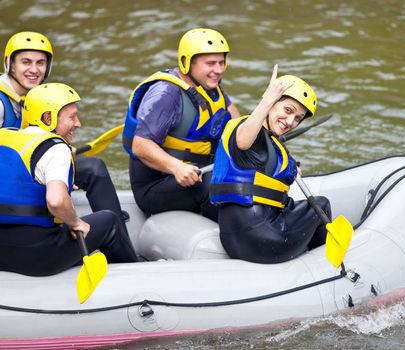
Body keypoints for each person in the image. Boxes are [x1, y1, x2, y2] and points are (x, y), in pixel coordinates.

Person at [0, 83, 138, 276]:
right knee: (110, 220)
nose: (78, 123)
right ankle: (136, 275)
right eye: (72, 117)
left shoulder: (5, 138)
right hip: (37, 257)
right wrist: (75, 222)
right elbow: (56, 201)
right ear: (48, 118)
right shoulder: (56, 149)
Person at [0, 31, 128, 224]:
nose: (34, 70)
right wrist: (53, 170)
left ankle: (115, 225)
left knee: (94, 168)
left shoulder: (38, 95)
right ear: (10, 64)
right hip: (10, 176)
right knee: (92, 167)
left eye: (40, 63)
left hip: (29, 167)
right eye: (26, 62)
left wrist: (60, 157)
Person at [210, 65, 332, 264]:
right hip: (262, 238)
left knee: (290, 205)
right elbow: (243, 141)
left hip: (234, 237)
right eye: (288, 110)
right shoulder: (248, 130)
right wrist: (267, 100)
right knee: (321, 205)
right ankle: (325, 266)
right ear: (272, 103)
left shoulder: (267, 141)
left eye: (298, 118)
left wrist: (291, 168)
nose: (290, 121)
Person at [123, 28, 240, 221]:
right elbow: (141, 146)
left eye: (222, 62)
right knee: (211, 183)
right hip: (156, 185)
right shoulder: (167, 94)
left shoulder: (211, 87)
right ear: (187, 63)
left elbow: (238, 128)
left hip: (199, 171)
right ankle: (241, 233)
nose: (218, 70)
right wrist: (177, 167)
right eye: (210, 63)